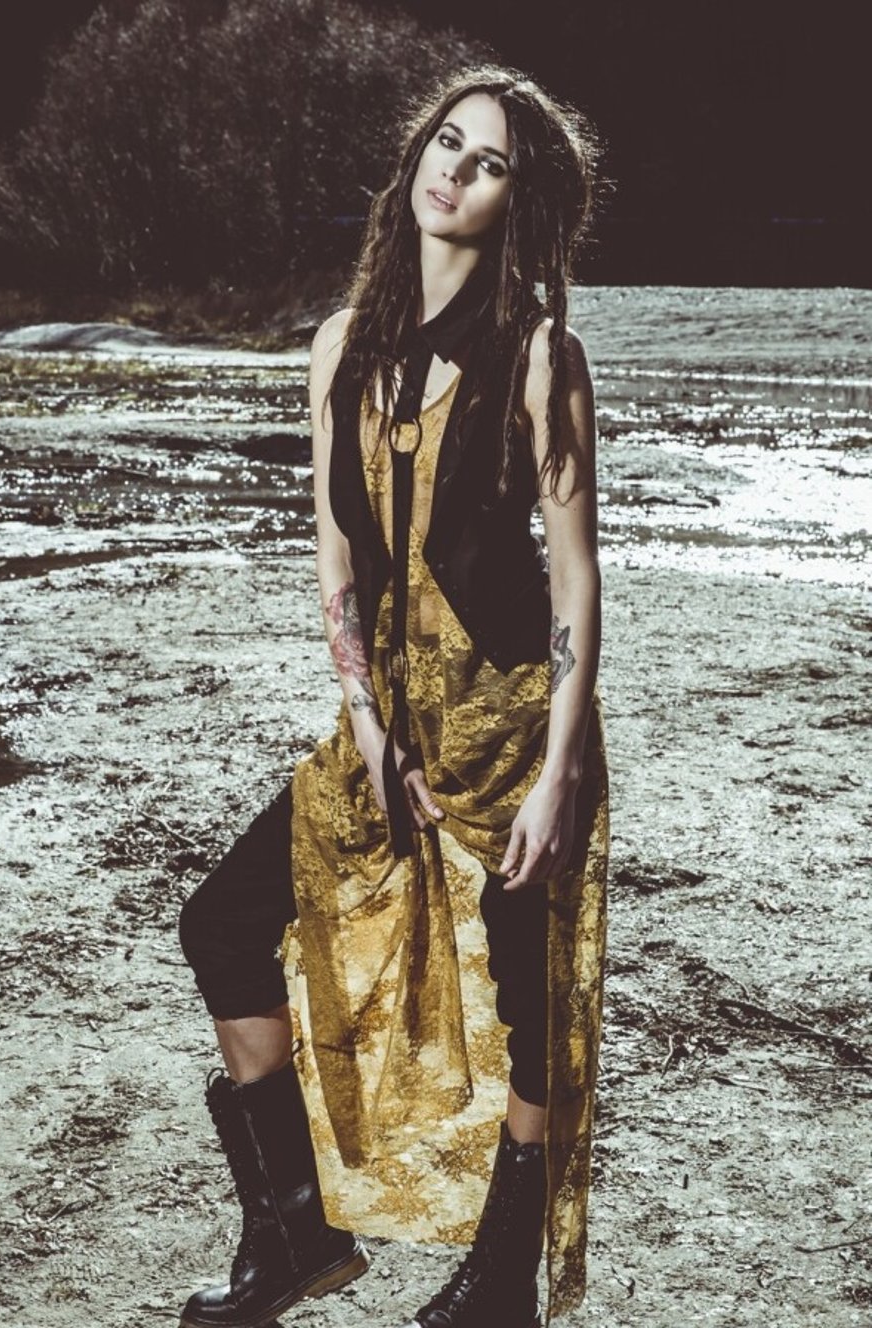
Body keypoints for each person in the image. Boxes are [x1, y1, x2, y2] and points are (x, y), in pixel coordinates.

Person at [177, 63, 609, 1328]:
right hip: (391, 726)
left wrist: (557, 770)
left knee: (535, 1008)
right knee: (222, 924)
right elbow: (336, 562)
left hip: (515, 730)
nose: (452, 171)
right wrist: (363, 723)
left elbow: (576, 583)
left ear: (514, 206)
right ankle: (293, 1236)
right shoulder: (336, 347)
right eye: (444, 143)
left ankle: (497, 1287)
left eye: (485, 164)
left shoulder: (539, 355)